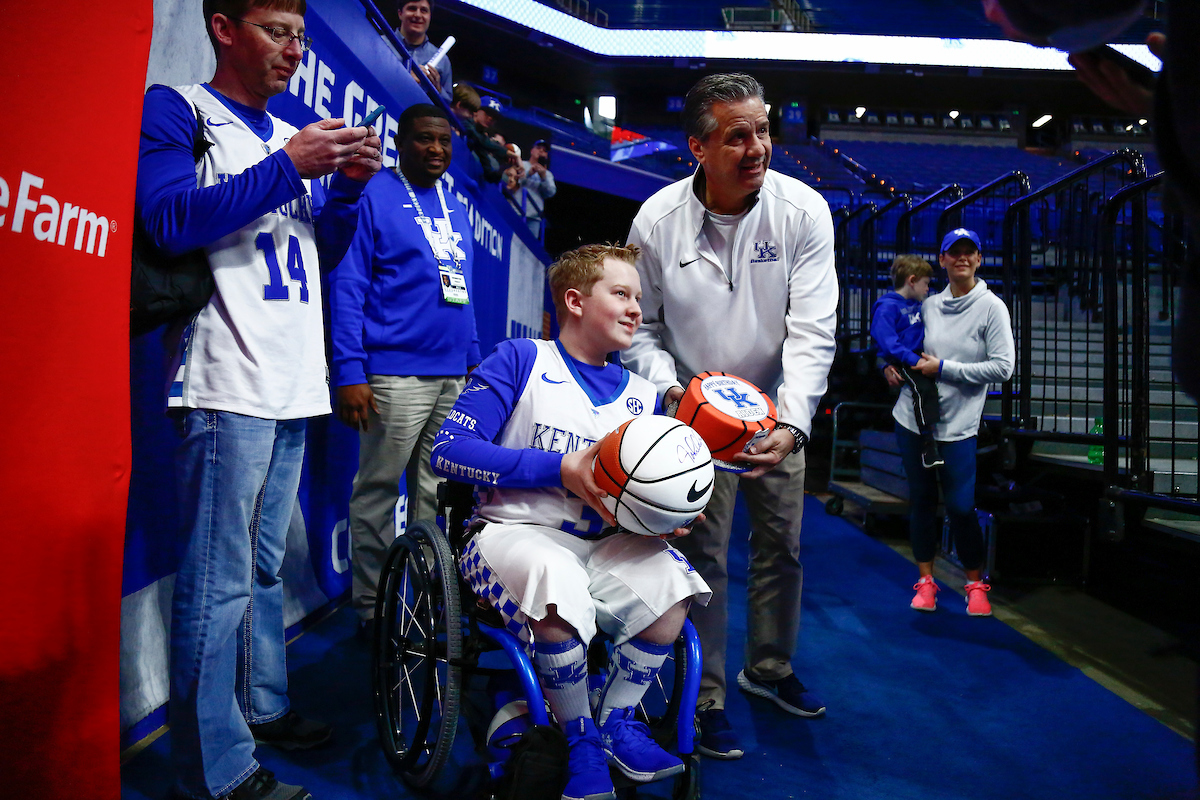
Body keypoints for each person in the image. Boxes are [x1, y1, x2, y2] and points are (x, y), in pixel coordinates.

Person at [135, 0, 382, 797]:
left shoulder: (288, 135)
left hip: (290, 380)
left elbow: (316, 252)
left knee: (263, 569)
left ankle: (259, 706)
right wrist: (289, 169)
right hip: (224, 378)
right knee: (218, 582)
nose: (294, 50)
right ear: (223, 28)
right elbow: (167, 220)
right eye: (278, 31)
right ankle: (214, 771)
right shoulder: (180, 109)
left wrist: (345, 192)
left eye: (300, 36)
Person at [431, 244, 711, 800]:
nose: (636, 309)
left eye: (638, 297)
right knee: (554, 578)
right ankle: (578, 737)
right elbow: (449, 449)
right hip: (511, 532)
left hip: (605, 543)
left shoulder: (645, 396)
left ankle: (614, 722)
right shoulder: (520, 359)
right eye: (621, 294)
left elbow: (649, 494)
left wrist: (667, 513)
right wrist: (560, 469)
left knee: (673, 582)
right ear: (576, 301)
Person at [623, 72, 838, 759]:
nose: (757, 148)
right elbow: (639, 327)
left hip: (777, 413)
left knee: (782, 547)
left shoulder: (804, 211)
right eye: (738, 136)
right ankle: (704, 695)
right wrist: (674, 396)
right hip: (691, 423)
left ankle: (768, 668)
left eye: (763, 131)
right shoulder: (656, 221)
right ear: (698, 146)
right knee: (702, 557)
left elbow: (813, 329)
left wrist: (793, 424)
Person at [328, 104, 478, 634]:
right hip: (393, 374)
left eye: (444, 140)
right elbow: (348, 284)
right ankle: (373, 609)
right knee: (377, 492)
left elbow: (462, 289)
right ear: (399, 142)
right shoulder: (374, 193)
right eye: (423, 139)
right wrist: (349, 370)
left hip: (452, 375)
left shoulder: (453, 204)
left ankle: (422, 606)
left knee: (436, 497)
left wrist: (473, 361)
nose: (436, 149)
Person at [883, 229, 1014, 616]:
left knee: (960, 507)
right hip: (915, 421)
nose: (962, 258)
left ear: (979, 259)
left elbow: (1003, 368)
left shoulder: (992, 308)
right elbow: (899, 342)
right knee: (922, 502)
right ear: (941, 260)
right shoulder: (928, 306)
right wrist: (886, 366)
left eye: (969, 252)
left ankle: (974, 584)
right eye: (954, 252)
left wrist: (944, 368)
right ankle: (926, 582)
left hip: (959, 427)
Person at [871, 254, 944, 469]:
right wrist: (913, 360)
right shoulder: (887, 307)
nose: (927, 289)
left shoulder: (918, 305)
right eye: (925, 284)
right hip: (905, 359)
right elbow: (887, 342)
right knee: (923, 390)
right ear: (912, 281)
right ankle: (928, 444)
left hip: (918, 356)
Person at [395, 0, 452, 104]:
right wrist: (403, 78)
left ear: (429, 16)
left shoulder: (443, 61)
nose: (418, 15)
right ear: (400, 13)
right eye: (412, 8)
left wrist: (437, 89)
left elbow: (447, 105)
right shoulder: (381, 43)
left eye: (424, 10)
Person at [518, 139, 557, 238]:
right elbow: (512, 181)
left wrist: (543, 177)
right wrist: (528, 174)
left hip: (534, 217)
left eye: (544, 150)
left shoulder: (547, 174)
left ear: (546, 155)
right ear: (532, 150)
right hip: (517, 210)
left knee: (528, 244)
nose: (541, 151)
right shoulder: (522, 164)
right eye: (538, 148)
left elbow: (551, 193)